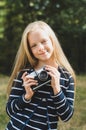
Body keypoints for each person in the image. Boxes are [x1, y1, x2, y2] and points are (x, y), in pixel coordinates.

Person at [5, 20, 76, 130]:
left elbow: (66, 116)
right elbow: (10, 110)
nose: (40, 48)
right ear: (30, 50)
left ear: (52, 40)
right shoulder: (24, 74)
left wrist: (57, 89)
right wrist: (26, 96)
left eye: (44, 41)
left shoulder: (66, 77)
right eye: (34, 45)